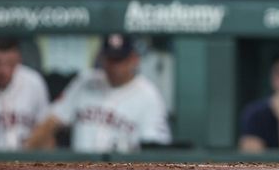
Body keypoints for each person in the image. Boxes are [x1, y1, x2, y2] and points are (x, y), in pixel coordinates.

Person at [25, 34, 171, 153]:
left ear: (134, 59)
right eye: (110, 59)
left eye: (119, 60)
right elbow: (51, 121)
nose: (114, 66)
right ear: (101, 57)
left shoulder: (149, 96)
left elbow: (155, 150)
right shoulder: (85, 81)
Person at [0, 37, 49, 150]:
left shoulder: (33, 82)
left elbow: (47, 133)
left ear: (19, 59)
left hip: (25, 162)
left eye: (10, 63)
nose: (3, 70)